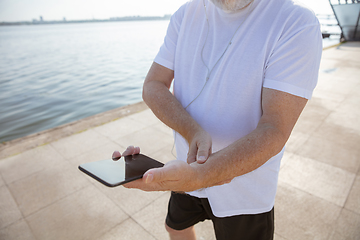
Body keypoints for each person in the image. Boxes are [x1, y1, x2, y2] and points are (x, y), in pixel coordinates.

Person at [113, 0, 322, 239]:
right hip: (186, 167)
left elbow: (275, 128)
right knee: (176, 227)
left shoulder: (295, 22)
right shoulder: (185, 14)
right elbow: (153, 85)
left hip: (245, 188)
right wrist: (192, 133)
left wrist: (201, 176)